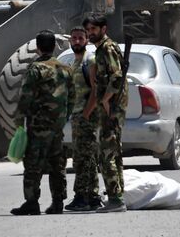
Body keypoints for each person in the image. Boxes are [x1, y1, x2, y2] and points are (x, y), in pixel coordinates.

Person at [11, 30, 74, 216]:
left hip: (38, 125)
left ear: (37, 48)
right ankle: (57, 202)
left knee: (33, 164)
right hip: (57, 126)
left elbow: (25, 98)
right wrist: (63, 117)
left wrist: (19, 122)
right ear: (54, 46)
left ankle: (31, 202)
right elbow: (72, 99)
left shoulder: (35, 69)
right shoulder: (66, 69)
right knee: (57, 164)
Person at [83, 13, 128, 213]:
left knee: (107, 154)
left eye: (93, 29)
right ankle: (118, 196)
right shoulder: (102, 49)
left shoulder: (107, 48)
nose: (90, 33)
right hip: (111, 107)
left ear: (103, 29)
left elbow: (117, 76)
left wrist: (105, 100)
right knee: (114, 153)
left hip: (112, 107)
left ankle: (116, 199)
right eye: (88, 30)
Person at [64, 26, 102, 212]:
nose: (77, 41)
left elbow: (96, 90)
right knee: (86, 157)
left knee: (82, 158)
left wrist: (87, 113)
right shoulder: (74, 63)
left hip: (87, 116)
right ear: (70, 41)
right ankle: (93, 196)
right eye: (74, 38)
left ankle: (80, 196)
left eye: (80, 38)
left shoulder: (90, 60)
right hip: (77, 116)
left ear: (86, 40)